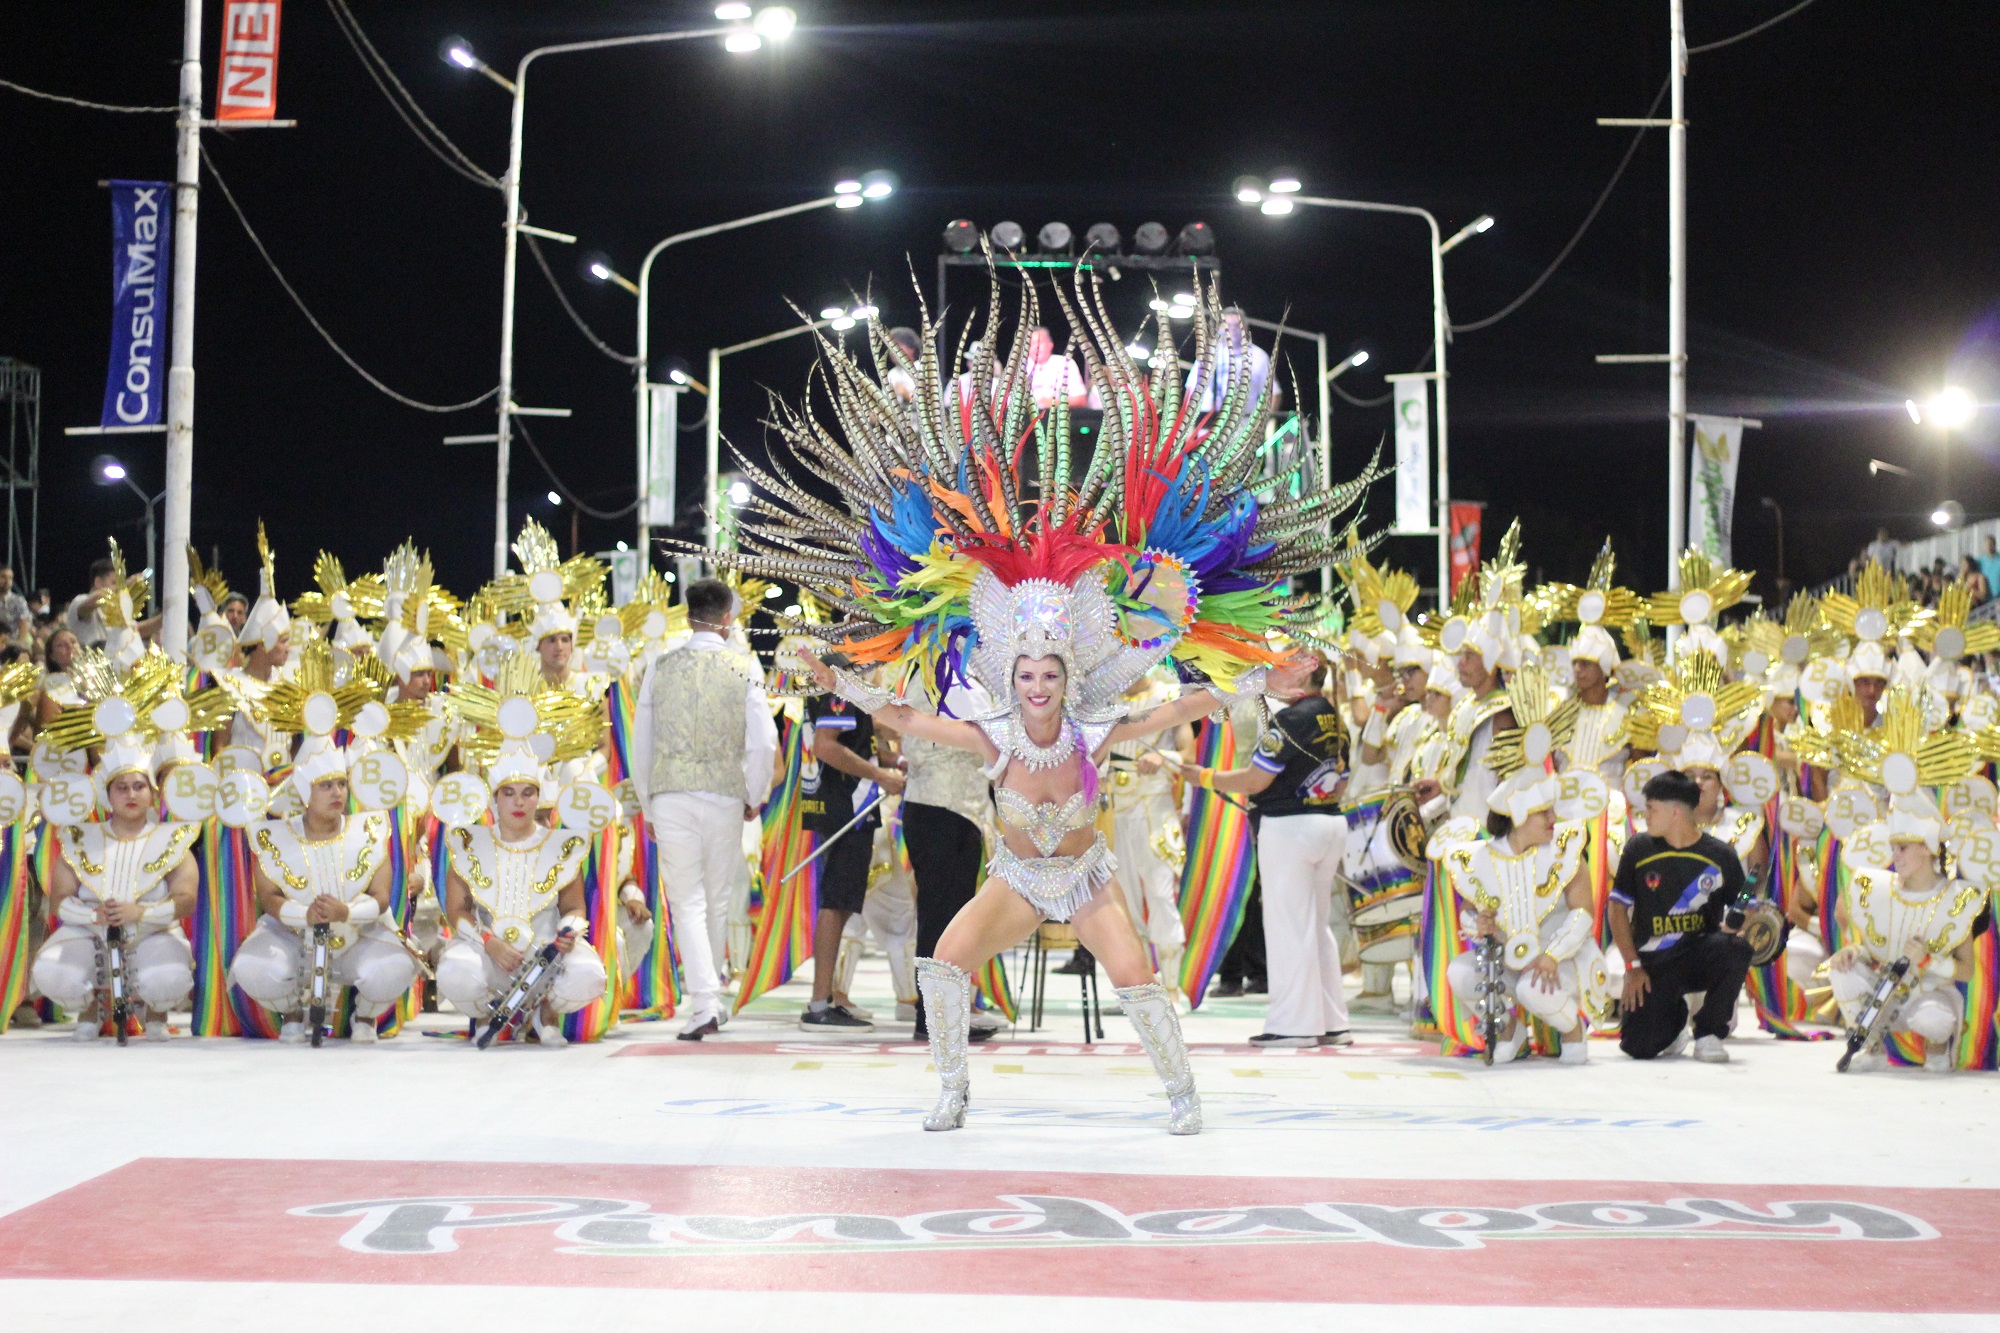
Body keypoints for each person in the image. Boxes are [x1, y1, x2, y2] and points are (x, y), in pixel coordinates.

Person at [631, 577, 778, 1040]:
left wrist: (648, 804)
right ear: (728, 618)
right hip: (724, 792)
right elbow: (763, 742)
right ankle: (709, 1000)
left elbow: (641, 741)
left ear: (687, 614)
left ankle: (705, 1003)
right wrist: (754, 794)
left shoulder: (660, 666)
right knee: (714, 899)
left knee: (688, 902)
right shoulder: (744, 667)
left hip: (671, 792)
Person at [1186, 648, 1354, 1048]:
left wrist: (1205, 777)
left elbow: (1255, 780)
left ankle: (1294, 1025)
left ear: (1304, 674)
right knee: (1316, 926)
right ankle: (1332, 1021)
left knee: (1288, 926)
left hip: (1291, 828)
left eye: (1282, 666)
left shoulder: (1292, 719)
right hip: (1327, 821)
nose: (1273, 673)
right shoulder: (1334, 716)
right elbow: (1343, 778)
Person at [227, 743, 419, 1042]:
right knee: (252, 966)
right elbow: (268, 896)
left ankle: (365, 1017)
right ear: (305, 792)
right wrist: (305, 914)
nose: (337, 793)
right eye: (326, 786)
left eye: (341, 784)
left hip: (359, 934)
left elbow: (381, 897)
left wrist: (346, 913)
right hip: (294, 935)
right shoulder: (274, 836)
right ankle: (292, 1013)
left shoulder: (370, 830)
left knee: (396, 966)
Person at [31, 736, 200, 1040]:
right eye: (121, 788)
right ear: (108, 796)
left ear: (152, 794)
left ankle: (155, 1012)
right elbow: (59, 899)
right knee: (52, 971)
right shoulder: (79, 840)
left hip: (153, 932)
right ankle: (89, 1009)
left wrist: (140, 913)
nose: (131, 794)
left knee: (168, 977)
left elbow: (186, 899)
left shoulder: (173, 840)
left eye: (139, 786)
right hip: (88, 932)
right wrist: (93, 916)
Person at [1440, 770, 1607, 1064]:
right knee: (1461, 972)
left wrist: (1552, 955)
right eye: (1543, 812)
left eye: (1552, 810)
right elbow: (1468, 911)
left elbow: (1583, 913)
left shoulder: (1566, 850)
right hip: (1510, 960)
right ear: (1517, 815)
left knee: (1532, 989)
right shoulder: (1481, 857)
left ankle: (1573, 1031)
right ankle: (1510, 1031)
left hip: (1564, 960)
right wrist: (1478, 924)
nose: (1553, 818)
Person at [435, 764, 604, 1046]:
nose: (519, 802)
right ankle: (485, 1016)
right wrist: (489, 942)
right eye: (509, 793)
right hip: (489, 953)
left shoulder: (560, 846)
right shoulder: (469, 845)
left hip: (546, 957)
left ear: (538, 797)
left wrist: (567, 931)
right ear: (495, 798)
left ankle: (545, 1012)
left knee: (590, 973)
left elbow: (574, 908)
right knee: (455, 970)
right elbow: (457, 910)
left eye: (527, 793)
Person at [1608, 768, 1753, 1062]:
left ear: (1675, 812)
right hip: (1652, 964)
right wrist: (1632, 966)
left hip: (1698, 953)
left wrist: (1739, 923)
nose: (1646, 816)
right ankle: (1674, 1023)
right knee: (1638, 1047)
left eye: (1651, 808)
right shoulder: (1638, 849)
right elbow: (1617, 909)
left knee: (1736, 949)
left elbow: (1746, 903)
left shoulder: (1720, 854)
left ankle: (1709, 1033)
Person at [1829, 808, 1984, 1072]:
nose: (1895, 856)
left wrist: (1927, 960)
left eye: (1903, 848)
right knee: (1841, 972)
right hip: (1885, 993)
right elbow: (1874, 948)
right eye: (1893, 849)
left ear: (1926, 849)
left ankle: (1937, 1050)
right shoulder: (1880, 889)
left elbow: (1967, 970)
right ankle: (1872, 1049)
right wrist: (1853, 951)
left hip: (1929, 997)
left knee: (1933, 1017)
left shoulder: (1956, 897)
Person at [891, 675, 999, 1042]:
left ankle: (941, 1014)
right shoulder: (951, 677)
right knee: (943, 920)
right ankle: (936, 1018)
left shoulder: (928, 673)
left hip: (941, 807)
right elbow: (993, 735)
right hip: (947, 809)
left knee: (945, 917)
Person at [800, 652, 905, 1029]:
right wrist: (880, 776)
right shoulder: (839, 690)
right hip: (848, 806)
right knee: (835, 903)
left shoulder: (838, 691)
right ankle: (818, 1003)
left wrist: (894, 763)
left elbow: (858, 741)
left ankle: (826, 997)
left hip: (843, 804)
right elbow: (827, 746)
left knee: (842, 904)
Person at [1105, 670, 1193, 998]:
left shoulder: (1170, 695)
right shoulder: (1108, 701)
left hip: (1154, 806)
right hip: (1116, 808)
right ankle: (1140, 987)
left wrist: (1163, 756)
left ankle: (1170, 989)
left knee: (1160, 893)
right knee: (1124, 901)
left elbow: (1188, 754)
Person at [1025, 326, 1089, 409]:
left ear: (1050, 344)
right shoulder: (1021, 367)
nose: (1036, 347)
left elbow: (1080, 400)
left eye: (1039, 342)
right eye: (1031, 344)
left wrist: (1053, 403)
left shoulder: (1065, 363)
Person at [0, 566, 29, 647]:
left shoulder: (19, 601)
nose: (7, 581)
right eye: (3, 577)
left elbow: (23, 623)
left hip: (12, 642)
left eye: (10, 578)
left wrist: (21, 643)